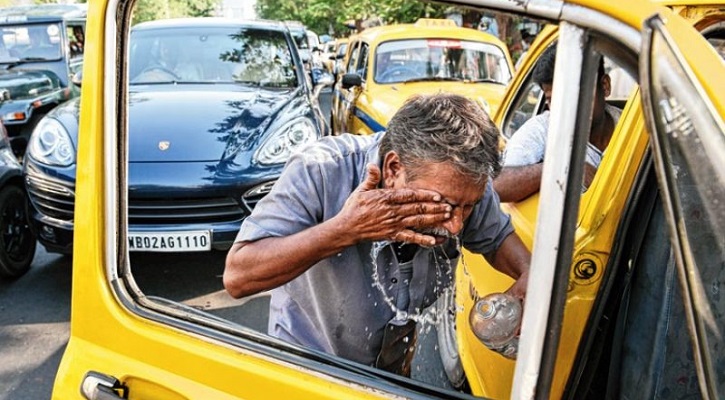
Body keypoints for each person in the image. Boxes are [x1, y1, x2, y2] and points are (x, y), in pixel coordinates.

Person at [224, 93, 530, 378]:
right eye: (444, 207)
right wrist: (346, 230)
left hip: (390, 374)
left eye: (469, 208)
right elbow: (239, 276)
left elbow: (499, 240)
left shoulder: (462, 186)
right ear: (394, 167)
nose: (455, 227)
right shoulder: (321, 171)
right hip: (306, 370)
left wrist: (529, 278)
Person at [493, 45, 622, 202]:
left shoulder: (636, 128)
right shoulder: (543, 130)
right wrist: (562, 169)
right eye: (553, 100)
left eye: (576, 94)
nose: (566, 108)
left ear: (605, 86)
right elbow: (496, 185)